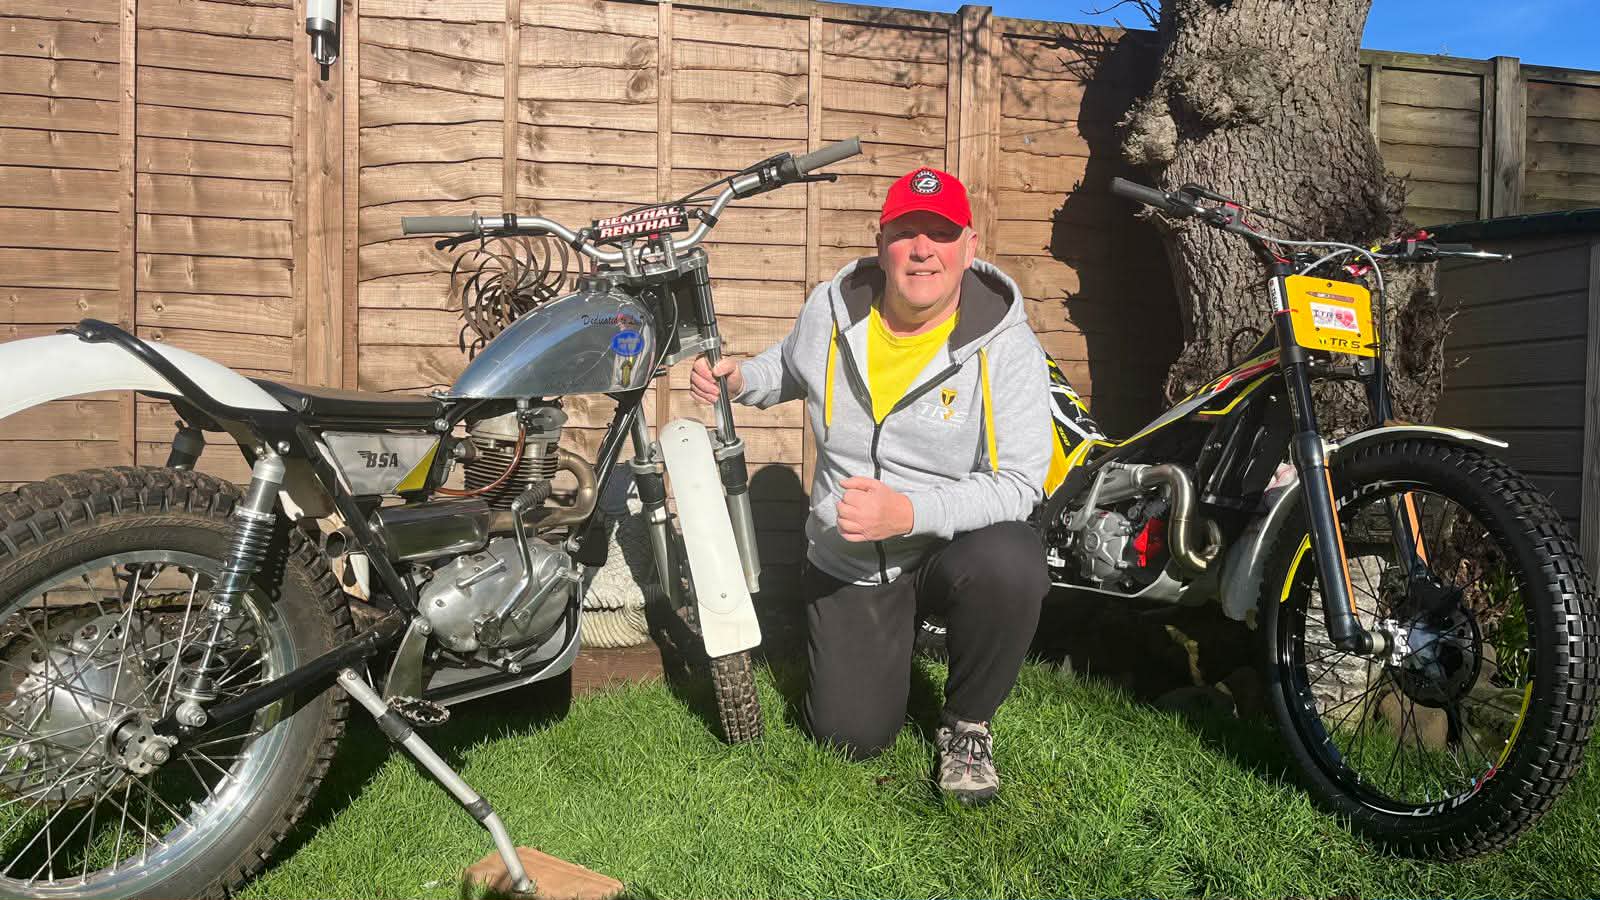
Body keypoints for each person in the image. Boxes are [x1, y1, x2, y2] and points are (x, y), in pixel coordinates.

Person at [689, 166, 1054, 806]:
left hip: (947, 547)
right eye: (907, 232)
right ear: (881, 242)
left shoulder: (1005, 344)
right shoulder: (832, 309)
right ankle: (886, 643)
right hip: (852, 559)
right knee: (849, 736)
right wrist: (743, 380)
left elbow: (1021, 483)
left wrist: (910, 512)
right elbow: (791, 365)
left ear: (969, 246)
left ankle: (967, 725)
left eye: (941, 234)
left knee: (1013, 560)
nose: (922, 250)